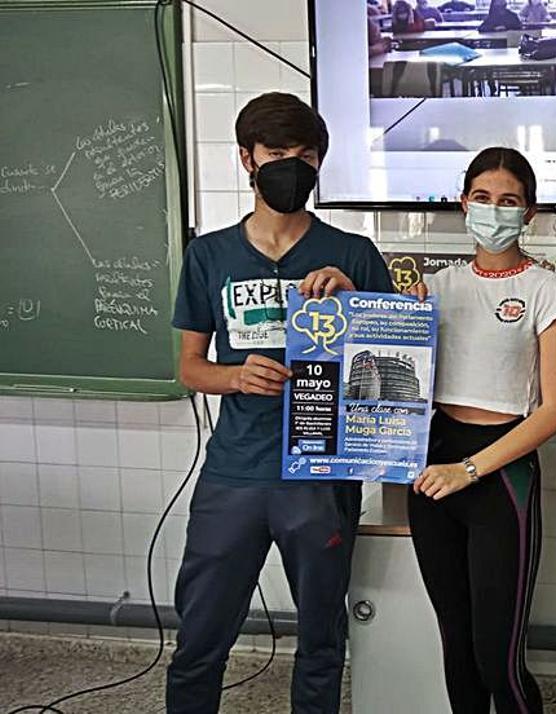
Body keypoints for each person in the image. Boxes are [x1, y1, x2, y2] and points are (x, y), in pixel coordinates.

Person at [166, 93, 393, 714]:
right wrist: (235, 378)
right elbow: (189, 367)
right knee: (201, 636)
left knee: (322, 637)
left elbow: (394, 377)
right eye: (276, 154)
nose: (291, 165)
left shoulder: (354, 254)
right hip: (235, 473)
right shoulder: (209, 255)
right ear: (247, 159)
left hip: (320, 475)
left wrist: (356, 304)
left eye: (305, 155)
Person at [406, 148, 556, 714]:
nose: (494, 210)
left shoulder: (545, 288)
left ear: (528, 213)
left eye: (509, 201)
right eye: (482, 198)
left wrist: (470, 470)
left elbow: (555, 410)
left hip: (500, 473)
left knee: (495, 657)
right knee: (455, 643)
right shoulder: (439, 287)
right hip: (435, 466)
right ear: (463, 203)